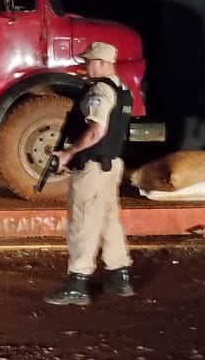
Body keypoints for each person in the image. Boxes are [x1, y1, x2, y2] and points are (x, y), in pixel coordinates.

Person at [44, 41, 136, 306]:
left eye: (89, 61)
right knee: (108, 220)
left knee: (83, 221)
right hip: (112, 164)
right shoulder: (123, 89)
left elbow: (97, 130)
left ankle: (78, 283)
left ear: (102, 63)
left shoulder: (100, 90)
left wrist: (69, 152)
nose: (85, 66)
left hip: (92, 167)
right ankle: (119, 276)